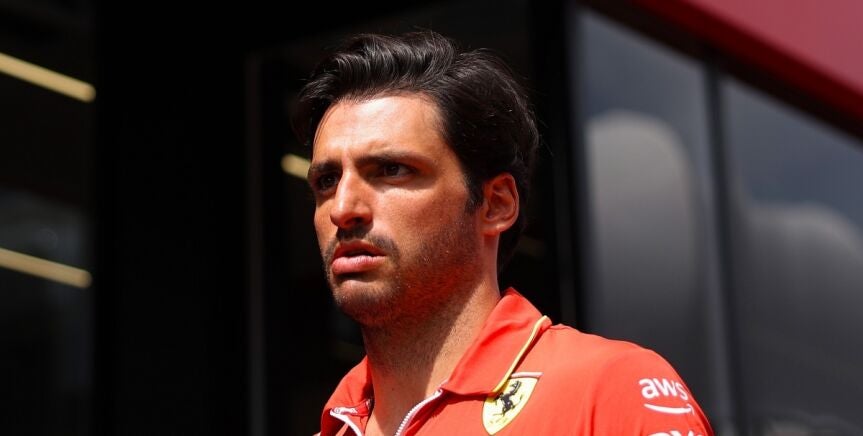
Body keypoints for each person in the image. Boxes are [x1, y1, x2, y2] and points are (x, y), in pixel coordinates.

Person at [293, 30, 713, 436]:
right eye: (327, 181)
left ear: (495, 204)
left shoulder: (612, 393)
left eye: (391, 170)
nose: (343, 209)